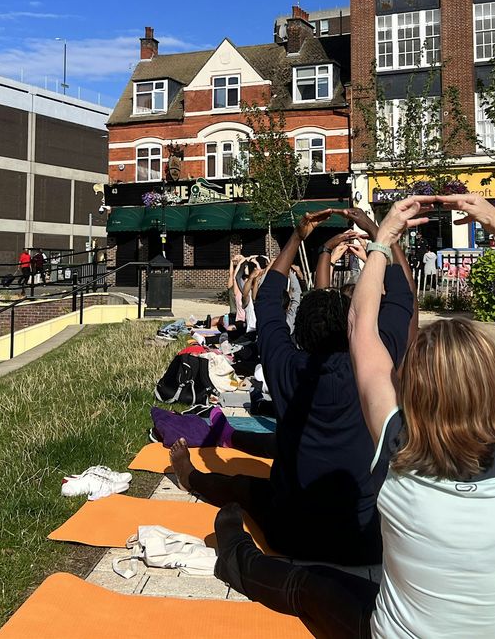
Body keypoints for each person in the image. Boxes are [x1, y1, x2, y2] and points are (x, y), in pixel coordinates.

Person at [213, 195, 495, 639]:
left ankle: (234, 554)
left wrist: (383, 237)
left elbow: (361, 327)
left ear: (413, 384)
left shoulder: (395, 446)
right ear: (494, 380)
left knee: (309, 585)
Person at [169, 208, 415, 566]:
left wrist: (297, 237)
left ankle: (191, 476)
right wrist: (381, 236)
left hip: (291, 533)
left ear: (299, 332)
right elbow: (401, 297)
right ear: (353, 329)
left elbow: (268, 301)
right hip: (365, 540)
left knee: (244, 486)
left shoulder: (285, 364)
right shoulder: (375, 371)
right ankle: (215, 455)